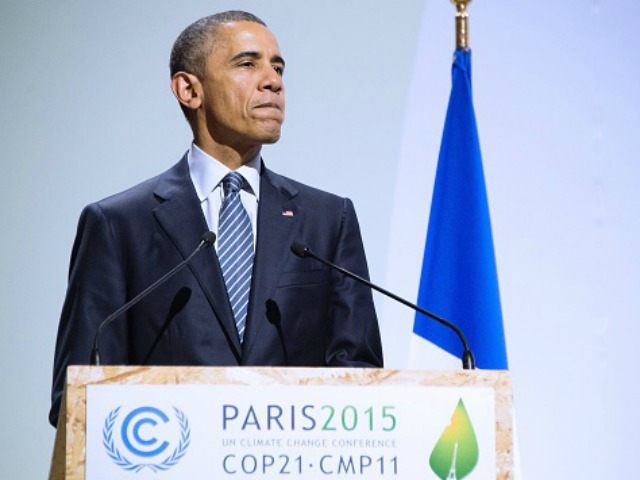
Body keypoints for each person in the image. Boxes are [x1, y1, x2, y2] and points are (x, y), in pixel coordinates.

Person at [49, 10, 382, 427]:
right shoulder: (119, 224)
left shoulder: (327, 220)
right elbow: (79, 393)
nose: (273, 80)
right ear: (189, 89)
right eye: (248, 63)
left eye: (277, 67)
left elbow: (361, 375)